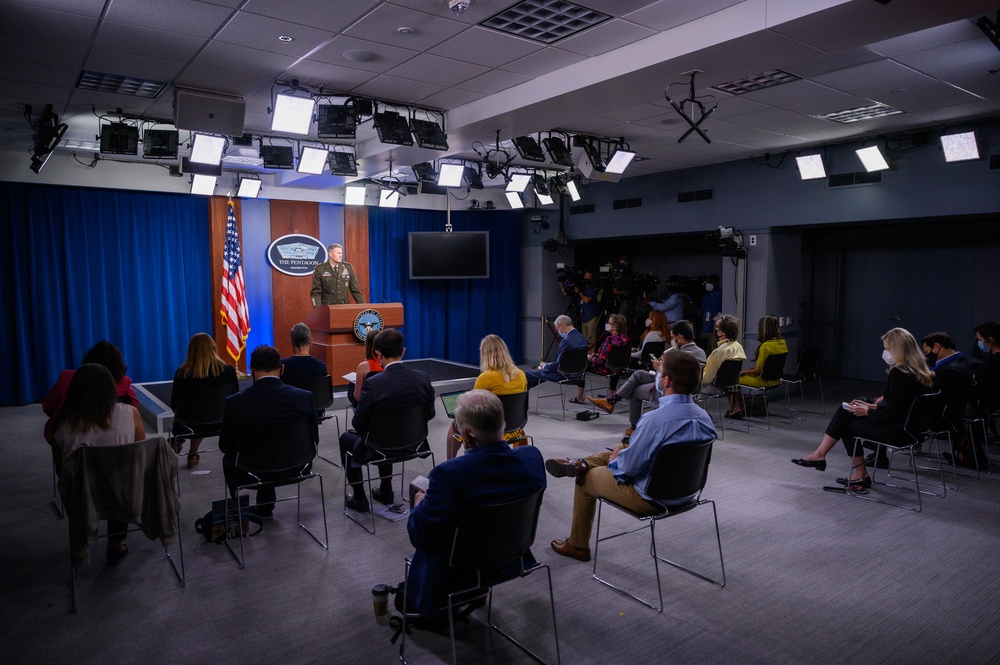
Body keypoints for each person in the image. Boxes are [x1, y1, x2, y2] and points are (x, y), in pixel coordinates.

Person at [547, 352, 716, 562]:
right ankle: (581, 462)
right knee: (626, 444)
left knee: (586, 478)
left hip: (651, 497)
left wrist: (618, 459)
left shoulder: (654, 421)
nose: (657, 375)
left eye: (659, 372)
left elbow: (628, 469)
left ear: (666, 381)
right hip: (688, 492)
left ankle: (577, 545)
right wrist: (624, 453)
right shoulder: (705, 418)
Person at [406, 390, 546, 618]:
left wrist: (420, 503)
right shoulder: (532, 458)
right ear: (503, 423)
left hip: (459, 565)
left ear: (468, 437)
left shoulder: (447, 475)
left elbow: (418, 535)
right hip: (514, 555)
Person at [791, 328, 933, 489]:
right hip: (915, 430)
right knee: (845, 411)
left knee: (848, 426)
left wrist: (867, 412)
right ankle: (821, 456)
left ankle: (854, 471)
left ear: (898, 350)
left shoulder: (899, 373)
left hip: (901, 432)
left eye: (887, 349)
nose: (885, 353)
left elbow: (893, 413)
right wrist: (871, 406)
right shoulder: (919, 371)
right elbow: (901, 405)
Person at [52, 363, 146, 563]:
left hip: (83, 499)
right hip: (126, 495)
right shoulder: (131, 414)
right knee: (120, 475)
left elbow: (62, 472)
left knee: (103, 479)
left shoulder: (63, 424)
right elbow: (141, 456)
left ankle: (82, 541)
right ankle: (115, 542)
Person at [339, 329, 435, 513]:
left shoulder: (374, 384)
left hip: (379, 447)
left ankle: (359, 497)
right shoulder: (422, 378)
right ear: (403, 351)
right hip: (415, 443)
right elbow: (429, 414)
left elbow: (358, 424)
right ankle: (386, 491)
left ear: (378, 353)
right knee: (386, 434)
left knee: (347, 438)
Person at [219, 345, 319, 520]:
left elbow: (225, 445)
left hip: (250, 470)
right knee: (272, 449)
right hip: (298, 465)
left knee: (231, 460)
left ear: (251, 370)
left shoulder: (236, 403)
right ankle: (265, 506)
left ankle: (242, 514)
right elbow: (314, 439)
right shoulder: (304, 397)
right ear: (281, 369)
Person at [590, 320, 707, 442]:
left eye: (673, 337)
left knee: (634, 390)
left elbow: (666, 378)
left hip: (670, 387)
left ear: (679, 337)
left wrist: (660, 367)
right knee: (638, 374)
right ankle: (611, 402)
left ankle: (631, 422)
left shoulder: (679, 355)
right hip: (681, 385)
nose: (672, 340)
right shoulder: (700, 352)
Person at [446, 334, 527, 459]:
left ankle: (450, 463)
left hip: (489, 429)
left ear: (485, 354)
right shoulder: (521, 374)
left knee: (454, 425)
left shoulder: (485, 377)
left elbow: (474, 408)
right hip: (515, 428)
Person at [42, 340, 138, 443]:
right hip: (114, 441)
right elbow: (133, 412)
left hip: (70, 439)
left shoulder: (66, 377)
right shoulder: (124, 383)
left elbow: (48, 407)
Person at [170, 332, 239, 469]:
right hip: (221, 423)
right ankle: (192, 453)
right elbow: (235, 398)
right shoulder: (229, 371)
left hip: (188, 424)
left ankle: (176, 444)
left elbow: (174, 405)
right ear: (213, 348)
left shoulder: (182, 373)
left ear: (191, 350)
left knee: (196, 414)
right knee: (205, 413)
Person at [728, 315, 788, 419]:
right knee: (739, 376)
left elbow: (758, 370)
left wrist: (744, 372)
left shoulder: (765, 346)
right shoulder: (782, 343)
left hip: (764, 381)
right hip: (776, 380)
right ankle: (739, 407)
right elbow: (764, 367)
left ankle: (735, 408)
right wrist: (747, 371)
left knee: (732, 379)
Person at [571, 313, 629, 404]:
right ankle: (613, 391)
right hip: (619, 368)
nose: (607, 325)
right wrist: (596, 356)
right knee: (615, 364)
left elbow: (601, 361)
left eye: (609, 323)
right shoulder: (625, 338)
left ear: (615, 326)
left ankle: (579, 397)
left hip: (606, 368)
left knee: (583, 364)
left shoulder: (610, 340)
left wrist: (591, 358)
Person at [920, 331, 973, 429]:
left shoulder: (948, 371)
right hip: (955, 414)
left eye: (927, 352)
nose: (926, 356)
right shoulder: (961, 362)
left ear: (936, 346)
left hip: (942, 419)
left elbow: (930, 397)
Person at [525, 315, 588, 389]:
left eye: (557, 330)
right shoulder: (583, 338)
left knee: (528, 374)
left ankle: (522, 398)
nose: (558, 332)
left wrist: (545, 366)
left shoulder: (565, 342)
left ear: (562, 326)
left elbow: (557, 367)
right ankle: (580, 397)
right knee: (538, 374)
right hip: (580, 374)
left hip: (564, 375)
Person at [699, 315, 746, 395]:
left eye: (717, 329)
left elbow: (706, 379)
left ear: (723, 332)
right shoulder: (738, 347)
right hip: (731, 386)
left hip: (716, 387)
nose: (715, 331)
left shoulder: (719, 351)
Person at [561, 270, 599, 349]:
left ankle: (590, 359)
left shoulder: (593, 289)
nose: (586, 279)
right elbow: (566, 294)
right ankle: (584, 358)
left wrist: (579, 292)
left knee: (591, 341)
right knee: (584, 341)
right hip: (583, 317)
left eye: (588, 278)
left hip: (591, 317)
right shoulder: (582, 288)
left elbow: (586, 300)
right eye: (585, 277)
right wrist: (561, 283)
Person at [970, 321, 1000, 414]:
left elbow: (981, 390)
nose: (979, 343)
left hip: (986, 407)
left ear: (990, 340)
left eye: (980, 340)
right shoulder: (991, 360)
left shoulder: (991, 362)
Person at [347, 332, 382, 408]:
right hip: (386, 407)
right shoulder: (389, 364)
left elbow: (358, 397)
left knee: (352, 385)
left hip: (369, 408)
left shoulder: (363, 367)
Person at [700, 275, 722, 351]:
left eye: (710, 282)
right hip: (705, 328)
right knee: (705, 351)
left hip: (715, 329)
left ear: (716, 283)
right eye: (707, 282)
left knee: (714, 351)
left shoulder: (721, 294)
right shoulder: (706, 296)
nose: (708, 284)